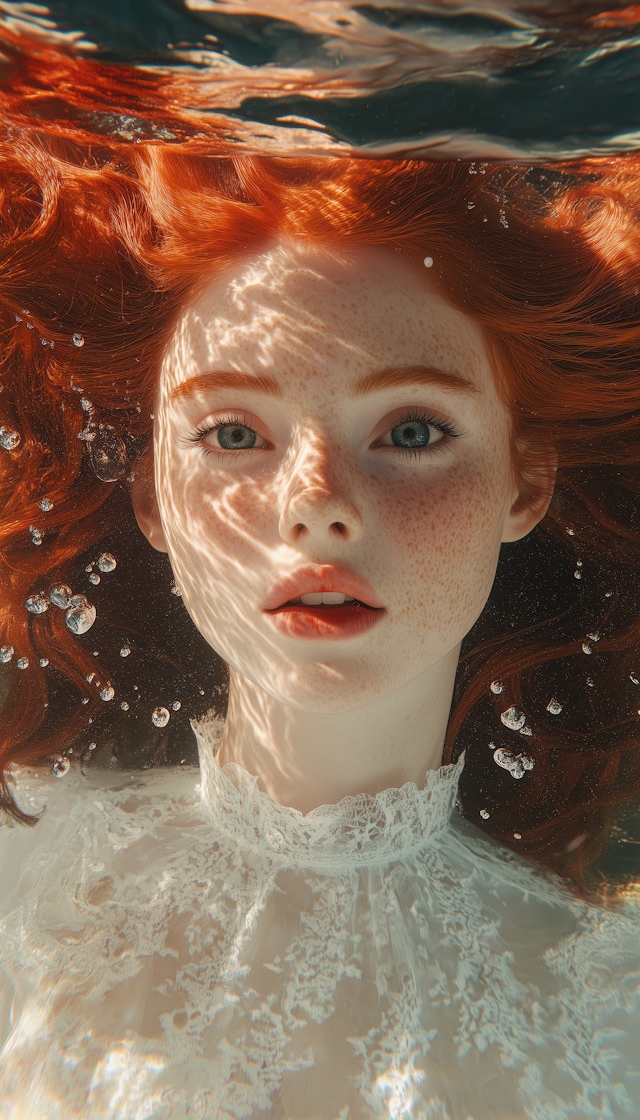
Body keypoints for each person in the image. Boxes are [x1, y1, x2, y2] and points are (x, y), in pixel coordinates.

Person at [0, 133, 639, 1118]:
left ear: (525, 477)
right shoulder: (19, 880)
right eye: (232, 433)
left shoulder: (609, 995)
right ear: (151, 496)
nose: (316, 507)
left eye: (412, 431)